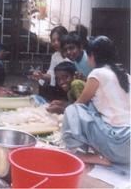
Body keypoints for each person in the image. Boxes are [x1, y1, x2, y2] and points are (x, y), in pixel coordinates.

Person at [62, 36, 130, 166]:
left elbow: (79, 105)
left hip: (116, 145)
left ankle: (92, 156)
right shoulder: (126, 76)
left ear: (92, 56)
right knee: (94, 106)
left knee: (72, 110)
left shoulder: (97, 74)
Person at [32, 26, 69, 101]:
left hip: (68, 86)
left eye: (58, 40)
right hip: (59, 86)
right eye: (53, 40)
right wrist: (41, 75)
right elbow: (51, 74)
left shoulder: (71, 54)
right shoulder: (55, 56)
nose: (56, 43)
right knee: (42, 82)